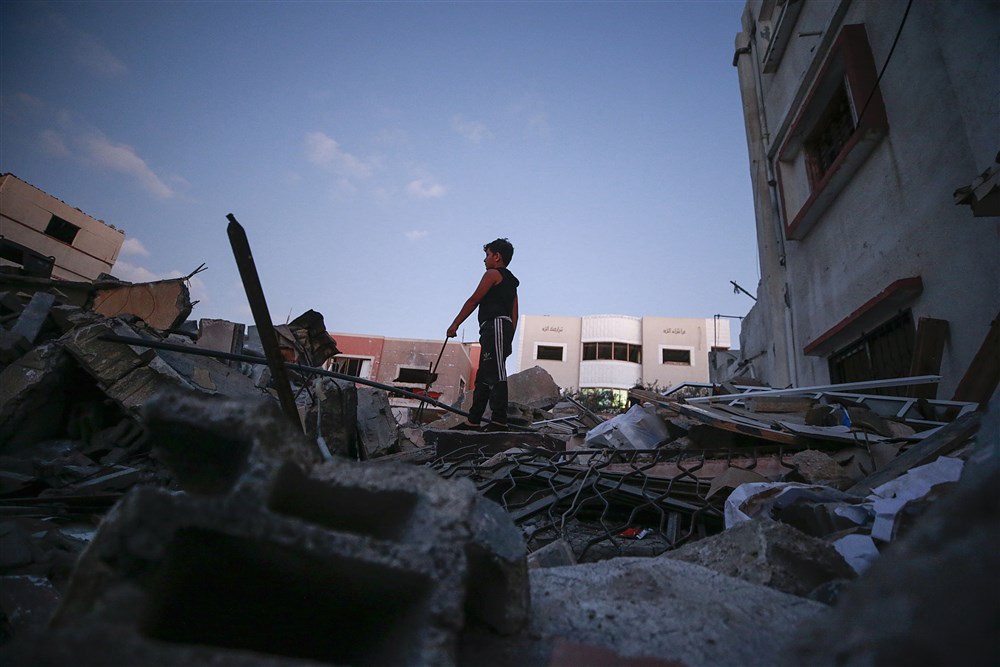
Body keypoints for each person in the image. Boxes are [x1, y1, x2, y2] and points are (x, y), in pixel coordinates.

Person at [447, 238, 519, 430]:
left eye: (487, 255)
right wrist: (509, 337)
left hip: (495, 325)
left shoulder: (493, 274)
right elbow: (515, 313)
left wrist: (455, 324)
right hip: (497, 329)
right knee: (483, 375)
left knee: (495, 373)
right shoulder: (512, 282)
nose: (484, 260)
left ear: (497, 257)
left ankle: (499, 421)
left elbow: (474, 300)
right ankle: (473, 420)